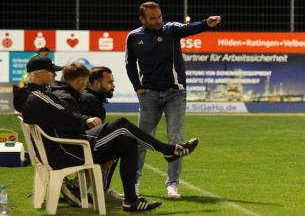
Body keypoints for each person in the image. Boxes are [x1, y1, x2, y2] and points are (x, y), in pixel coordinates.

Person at [13, 55, 199, 212]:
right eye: (51, 71)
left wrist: (81, 120)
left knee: (127, 142)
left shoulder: (36, 94)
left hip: (66, 146)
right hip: (67, 150)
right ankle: (168, 150)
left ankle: (131, 201)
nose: (55, 74)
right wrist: (84, 120)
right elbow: (65, 115)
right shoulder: (38, 96)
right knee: (121, 125)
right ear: (39, 75)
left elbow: (62, 114)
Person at [125, 1, 221, 198]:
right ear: (142, 19)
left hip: (175, 94)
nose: (158, 20)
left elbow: (189, 28)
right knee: (141, 140)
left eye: (159, 16)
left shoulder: (171, 30)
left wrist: (205, 24)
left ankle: (172, 184)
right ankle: (134, 183)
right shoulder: (133, 37)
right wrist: (138, 88)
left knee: (176, 140)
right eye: (153, 18)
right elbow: (129, 64)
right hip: (148, 95)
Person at [52, 66, 122, 205]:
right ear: (96, 83)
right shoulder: (90, 100)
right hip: (69, 149)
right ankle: (99, 190)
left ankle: (78, 186)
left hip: (62, 146)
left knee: (111, 142)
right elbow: (79, 128)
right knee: (115, 146)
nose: (113, 86)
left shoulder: (88, 98)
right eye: (110, 82)